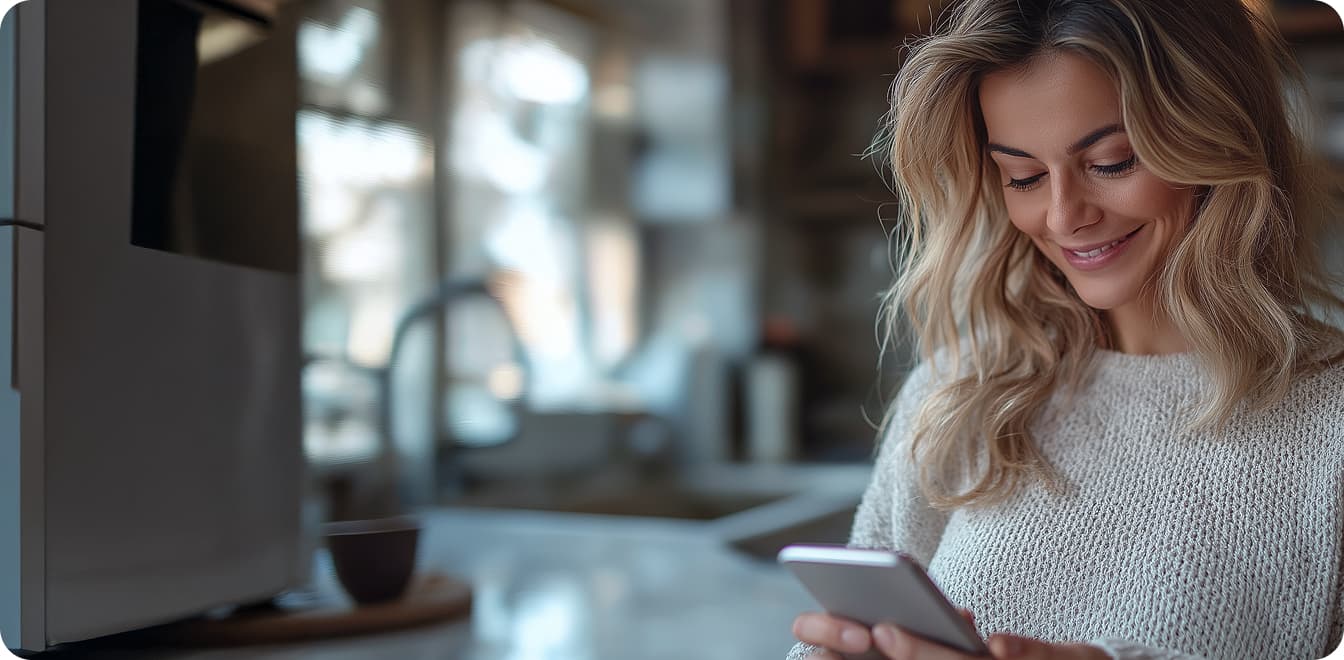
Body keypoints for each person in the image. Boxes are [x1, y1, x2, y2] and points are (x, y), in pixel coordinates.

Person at [786, 0, 1344, 658]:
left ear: (1220, 138)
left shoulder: (1328, 418)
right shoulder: (959, 390)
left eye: (1112, 162)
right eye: (1023, 176)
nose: (1062, 217)